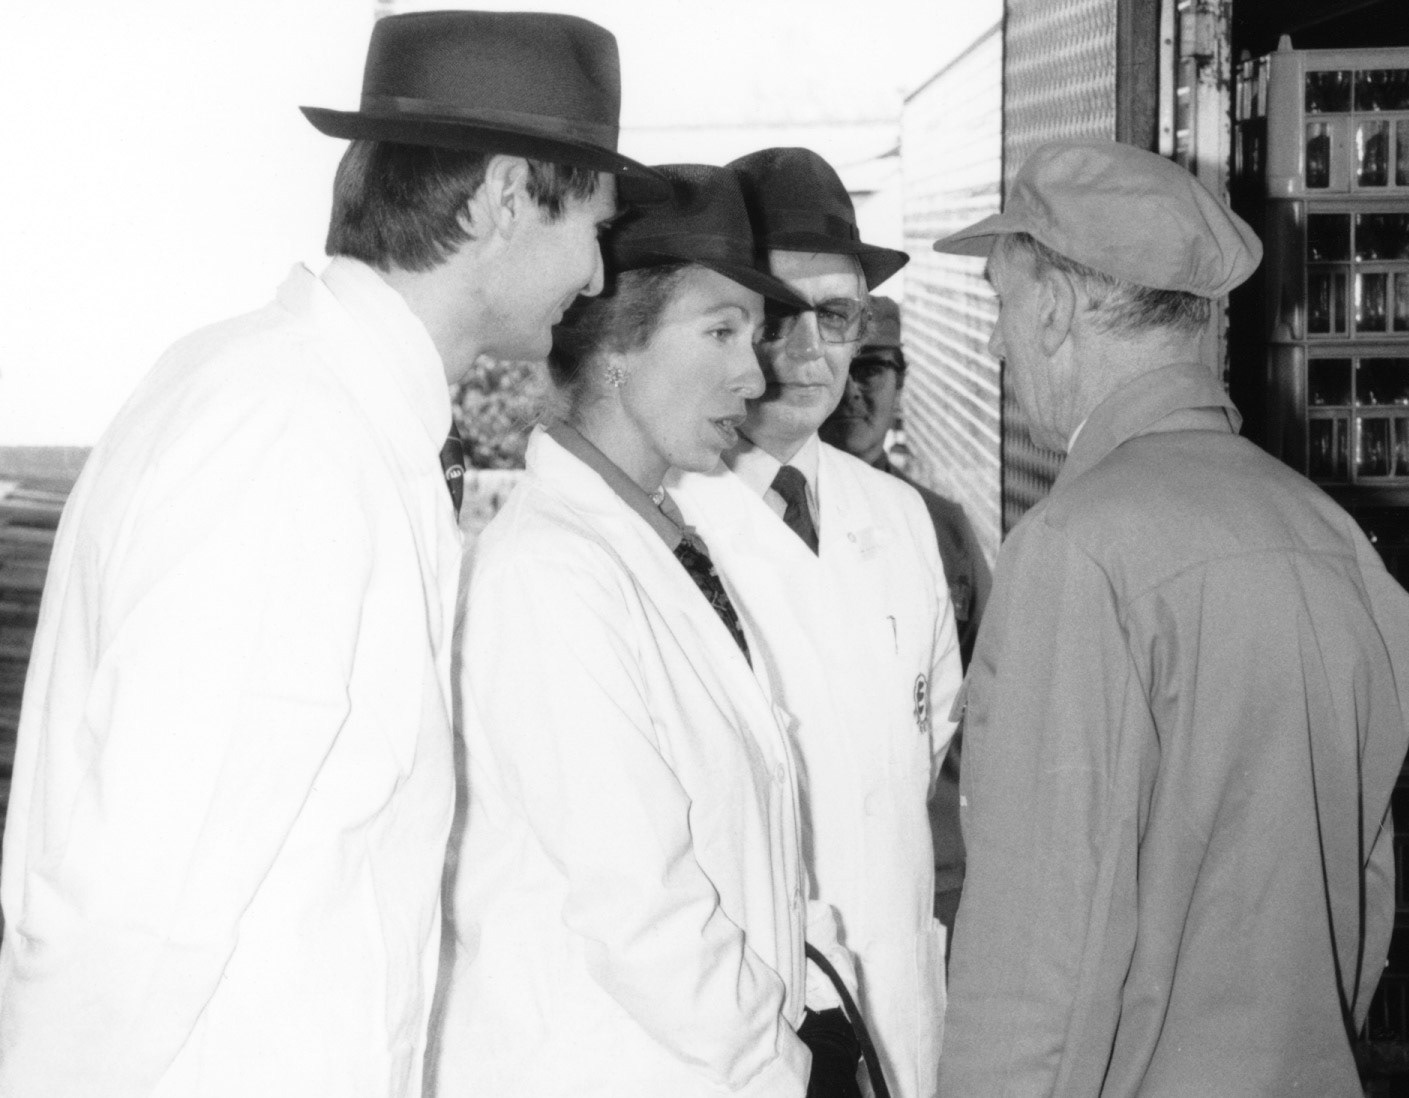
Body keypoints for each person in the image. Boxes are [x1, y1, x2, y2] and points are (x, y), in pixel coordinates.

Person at [0, 12, 661, 1097]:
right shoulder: (292, 438)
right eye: (593, 224)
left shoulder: (335, 413)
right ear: (502, 196)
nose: (596, 277)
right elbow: (134, 903)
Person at [932, 139, 1409, 1096]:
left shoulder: (1077, 549)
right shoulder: (1325, 532)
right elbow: (1365, 885)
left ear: (1057, 308)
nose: (994, 343)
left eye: (999, 305)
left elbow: (1039, 962)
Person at [434, 163, 865, 1098]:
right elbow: (640, 910)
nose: (753, 375)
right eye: (720, 331)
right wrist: (785, 1071)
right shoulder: (549, 572)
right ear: (620, 346)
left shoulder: (663, 541)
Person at [669, 147, 962, 1098]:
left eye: (834, 317)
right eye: (776, 316)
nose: (806, 352)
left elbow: (930, 753)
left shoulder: (902, 519)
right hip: (749, 1035)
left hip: (901, 1008)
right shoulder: (666, 525)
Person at [821, 296, 993, 668]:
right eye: (835, 368)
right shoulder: (761, 514)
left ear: (899, 385)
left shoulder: (944, 527)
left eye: (869, 370)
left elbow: (987, 675)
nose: (850, 391)